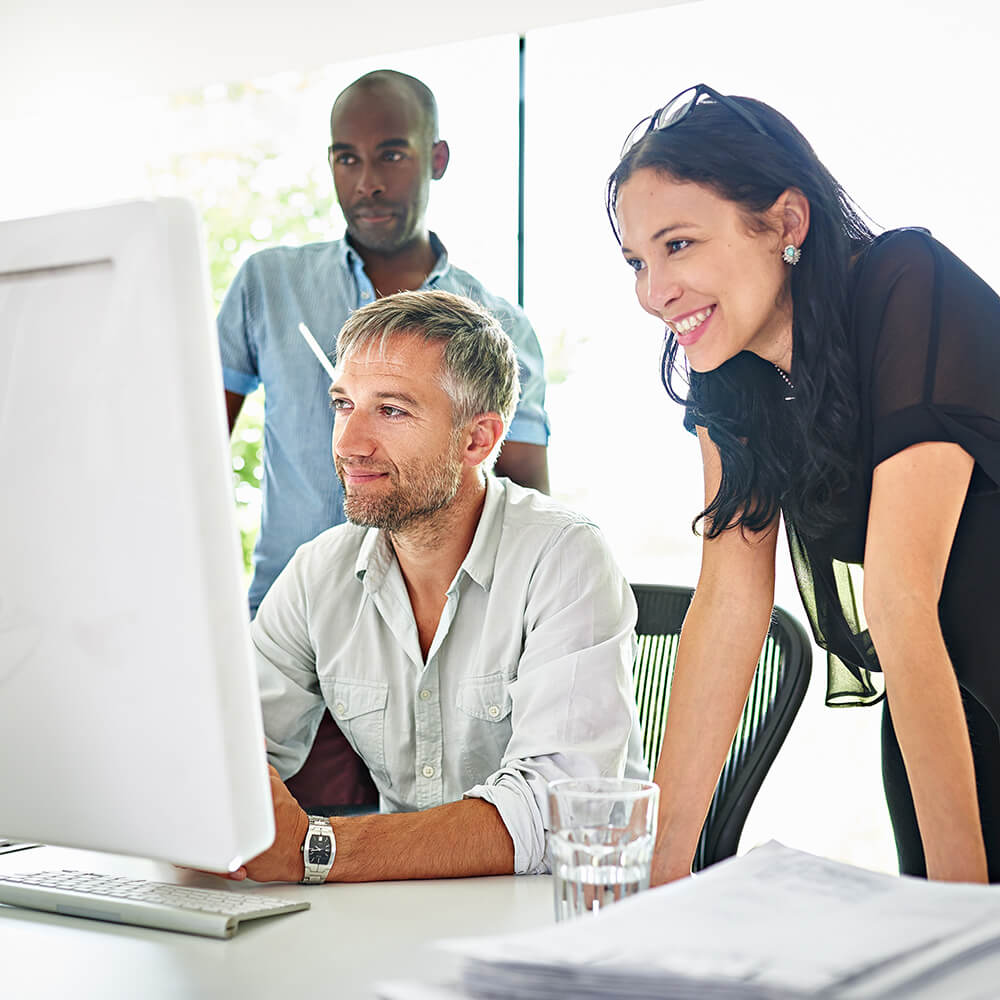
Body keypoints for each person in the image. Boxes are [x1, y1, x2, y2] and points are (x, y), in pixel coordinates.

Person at [608, 84, 1000, 885]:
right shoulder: (731, 371)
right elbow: (728, 605)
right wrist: (654, 879)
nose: (654, 291)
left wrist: (960, 916)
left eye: (678, 244)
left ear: (787, 222)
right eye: (638, 262)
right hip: (944, 713)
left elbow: (898, 598)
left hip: (943, 675)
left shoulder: (906, 283)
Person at [225, 289, 646, 883]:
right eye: (345, 405)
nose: (349, 444)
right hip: (398, 909)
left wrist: (313, 849)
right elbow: (232, 745)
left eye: (391, 410)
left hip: (553, 919)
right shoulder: (319, 571)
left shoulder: (565, 557)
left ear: (477, 439)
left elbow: (557, 815)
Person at [217, 69, 551, 807]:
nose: (366, 181)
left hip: (443, 655)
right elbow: (189, 455)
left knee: (434, 849)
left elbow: (524, 499)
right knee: (279, 859)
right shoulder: (268, 284)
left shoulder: (500, 327)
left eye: (391, 155)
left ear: (436, 159)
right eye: (347, 158)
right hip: (296, 644)